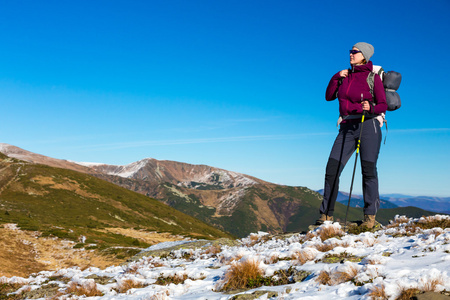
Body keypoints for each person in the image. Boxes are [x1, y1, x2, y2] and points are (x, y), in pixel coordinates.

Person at [316, 42, 387, 229]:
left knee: (368, 171)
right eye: (350, 51)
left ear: (364, 56)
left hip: (368, 125)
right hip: (346, 127)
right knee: (332, 169)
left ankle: (369, 217)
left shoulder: (373, 78)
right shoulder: (344, 77)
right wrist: (335, 76)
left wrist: (370, 107)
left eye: (355, 52)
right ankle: (326, 215)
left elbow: (382, 105)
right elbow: (329, 96)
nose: (351, 54)